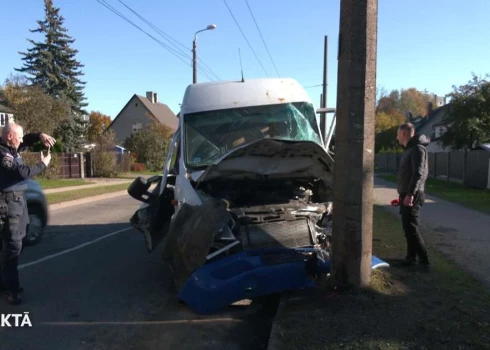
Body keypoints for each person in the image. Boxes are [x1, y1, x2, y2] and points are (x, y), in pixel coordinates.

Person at [0, 122, 55, 304]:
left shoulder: (12, 146)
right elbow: (21, 172)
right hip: (8, 204)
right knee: (13, 246)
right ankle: (11, 290)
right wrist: (43, 164)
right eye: (19, 137)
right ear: (9, 136)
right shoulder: (3, 153)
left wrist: (40, 134)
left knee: (21, 238)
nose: (22, 141)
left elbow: (27, 140)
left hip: (19, 201)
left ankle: (6, 281)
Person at [395, 122, 431, 270]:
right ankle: (411, 258)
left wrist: (410, 194)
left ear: (403, 134)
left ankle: (424, 262)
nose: (397, 138)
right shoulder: (411, 149)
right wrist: (403, 195)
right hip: (408, 194)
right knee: (408, 228)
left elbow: (418, 174)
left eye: (398, 134)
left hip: (414, 195)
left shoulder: (417, 149)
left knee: (412, 228)